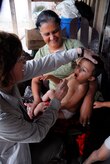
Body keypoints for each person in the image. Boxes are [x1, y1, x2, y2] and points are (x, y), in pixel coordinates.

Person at [0, 31, 97, 164]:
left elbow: (42, 64)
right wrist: (54, 101)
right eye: (20, 60)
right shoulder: (2, 116)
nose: (25, 61)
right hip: (16, 155)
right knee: (54, 141)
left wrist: (78, 52)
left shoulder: (10, 75)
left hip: (58, 109)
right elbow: (37, 133)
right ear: (6, 70)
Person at [32, 10, 97, 127]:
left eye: (55, 31)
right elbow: (35, 80)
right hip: (55, 96)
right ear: (40, 33)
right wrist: (37, 99)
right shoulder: (41, 54)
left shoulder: (74, 46)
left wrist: (88, 101)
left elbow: (90, 73)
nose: (52, 37)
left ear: (60, 27)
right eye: (47, 34)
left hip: (73, 99)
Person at [28, 56, 104, 122]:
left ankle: (33, 117)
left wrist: (54, 106)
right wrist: (51, 77)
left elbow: (70, 104)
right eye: (78, 66)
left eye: (83, 70)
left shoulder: (82, 87)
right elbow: (61, 82)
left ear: (90, 78)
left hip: (66, 111)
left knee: (45, 111)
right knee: (50, 92)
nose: (78, 70)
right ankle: (36, 106)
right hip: (59, 101)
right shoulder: (73, 75)